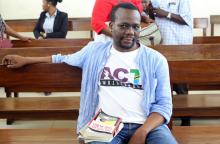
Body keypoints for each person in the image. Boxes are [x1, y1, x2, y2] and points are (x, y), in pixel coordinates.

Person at [2, 3, 177, 144]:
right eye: (123, 26)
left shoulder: (156, 60)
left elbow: (163, 105)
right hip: (105, 123)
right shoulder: (94, 51)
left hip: (148, 124)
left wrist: (143, 131)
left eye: (135, 27)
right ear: (111, 26)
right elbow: (62, 58)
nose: (130, 32)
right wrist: (26, 59)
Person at [150, 0, 193, 126]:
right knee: (163, 84)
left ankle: (186, 120)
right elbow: (153, 17)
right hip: (162, 43)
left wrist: (165, 14)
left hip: (179, 44)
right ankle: (165, 119)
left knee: (181, 85)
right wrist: (150, 11)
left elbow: (186, 19)